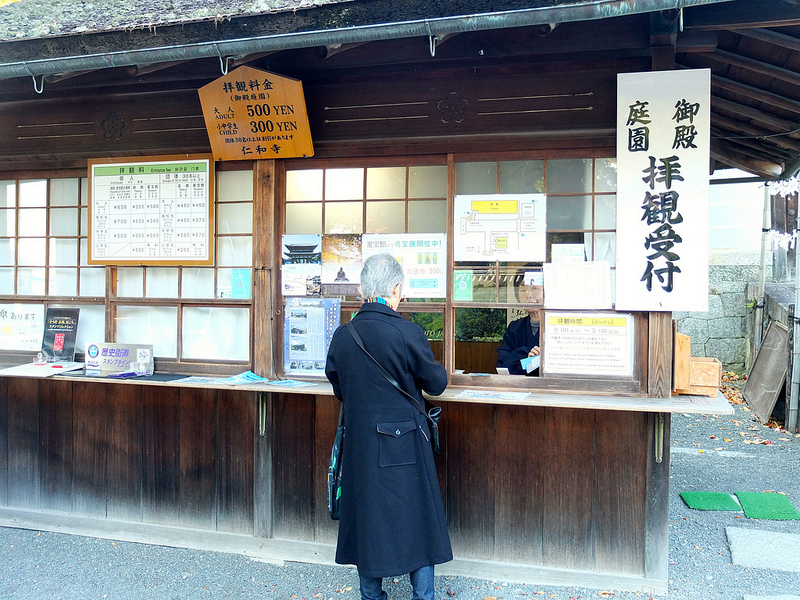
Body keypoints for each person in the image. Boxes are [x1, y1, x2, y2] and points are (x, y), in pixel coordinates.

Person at [325, 253, 452, 600]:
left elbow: (339, 386)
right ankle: (423, 595)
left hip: (362, 445)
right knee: (419, 520)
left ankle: (372, 595)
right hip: (406, 443)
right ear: (395, 288)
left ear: (366, 289)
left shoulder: (344, 335)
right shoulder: (406, 332)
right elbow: (435, 383)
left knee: (368, 519)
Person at [496, 271, 544, 376]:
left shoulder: (555, 327)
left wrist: (518, 358)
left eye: (535, 288)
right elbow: (503, 366)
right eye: (523, 289)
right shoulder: (514, 328)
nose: (528, 295)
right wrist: (528, 353)